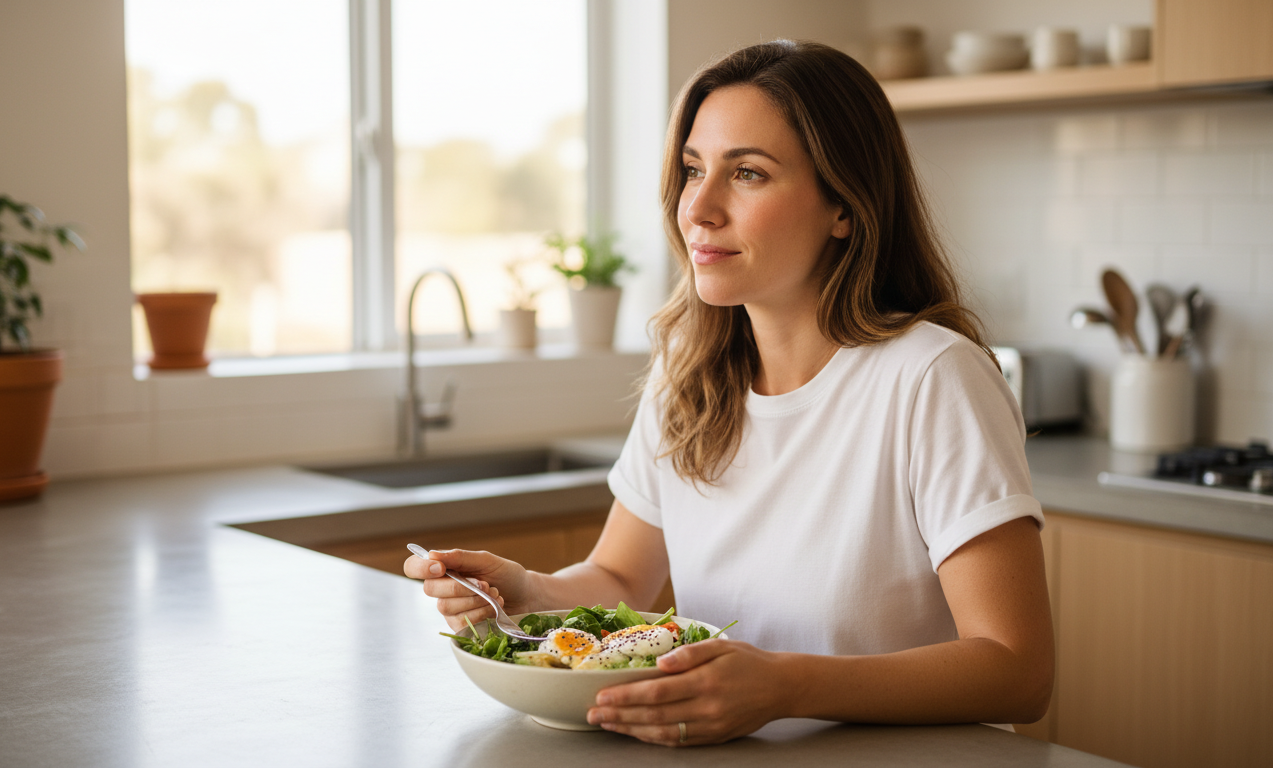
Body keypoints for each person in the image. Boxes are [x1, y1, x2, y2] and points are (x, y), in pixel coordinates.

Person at [404, 40, 1053, 747]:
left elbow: (1016, 670)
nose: (700, 209)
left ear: (844, 205)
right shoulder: (687, 373)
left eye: (747, 173)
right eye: (692, 170)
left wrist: (787, 687)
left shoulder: (931, 377)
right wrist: (528, 591)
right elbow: (620, 573)